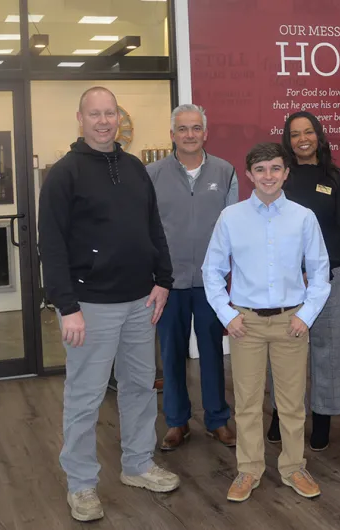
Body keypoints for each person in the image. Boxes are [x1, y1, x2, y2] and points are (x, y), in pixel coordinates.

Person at [38, 86, 181, 522]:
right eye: (95, 114)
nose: (104, 121)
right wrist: (68, 306)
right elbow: (52, 246)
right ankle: (81, 485)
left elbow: (153, 228)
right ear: (79, 118)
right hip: (91, 306)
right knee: (85, 397)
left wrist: (163, 281)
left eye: (110, 113)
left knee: (139, 388)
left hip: (141, 301)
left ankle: (137, 463)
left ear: (118, 118)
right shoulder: (64, 174)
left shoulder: (136, 168)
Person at [203, 142, 331, 503]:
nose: (268, 176)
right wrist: (228, 316)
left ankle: (293, 468)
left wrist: (306, 316)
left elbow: (320, 273)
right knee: (245, 403)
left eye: (275, 168)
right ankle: (249, 470)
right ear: (249, 175)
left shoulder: (303, 217)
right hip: (246, 324)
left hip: (292, 322)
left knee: (291, 403)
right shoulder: (231, 218)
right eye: (260, 170)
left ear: (286, 173)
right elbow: (212, 272)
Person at [147, 103, 238, 451]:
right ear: (172, 135)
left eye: (195, 128)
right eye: (182, 129)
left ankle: (217, 419)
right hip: (167, 283)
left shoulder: (225, 172)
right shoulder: (152, 174)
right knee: (170, 353)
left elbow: (233, 228)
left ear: (205, 133)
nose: (189, 135)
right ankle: (176, 422)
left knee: (213, 351)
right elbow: (145, 228)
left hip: (210, 283)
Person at [266, 111, 340, 451]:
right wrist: (292, 269)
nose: (302, 139)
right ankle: (280, 415)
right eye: (294, 134)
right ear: (287, 140)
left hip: (326, 279)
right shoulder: (281, 178)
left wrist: (319, 270)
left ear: (318, 135)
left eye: (308, 132)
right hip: (286, 283)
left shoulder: (334, 176)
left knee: (328, 353)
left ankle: (323, 420)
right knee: (285, 354)